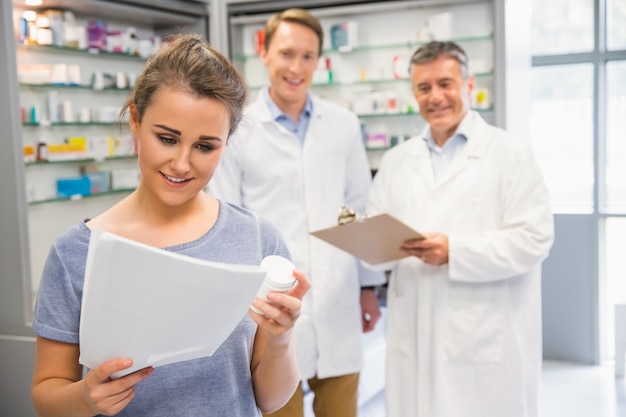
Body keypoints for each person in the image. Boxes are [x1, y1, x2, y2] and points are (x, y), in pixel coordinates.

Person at [30, 33, 310, 417]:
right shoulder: (76, 252)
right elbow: (46, 394)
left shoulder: (258, 239)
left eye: (205, 146)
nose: (181, 164)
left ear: (227, 142)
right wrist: (84, 398)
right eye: (167, 138)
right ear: (135, 120)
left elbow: (270, 400)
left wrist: (280, 339)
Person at [209, 8, 385, 417]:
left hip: (338, 297)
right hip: (269, 307)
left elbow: (357, 208)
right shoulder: (238, 127)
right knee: (278, 407)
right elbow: (226, 223)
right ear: (264, 53)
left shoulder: (342, 124)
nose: (297, 67)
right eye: (287, 53)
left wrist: (367, 287)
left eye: (308, 56)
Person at [366, 40, 555, 417]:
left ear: (468, 85)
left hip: (482, 343)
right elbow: (376, 229)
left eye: (446, 83)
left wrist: (455, 251)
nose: (435, 96)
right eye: (424, 87)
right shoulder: (397, 160)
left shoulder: (510, 154)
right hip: (413, 336)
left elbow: (534, 239)